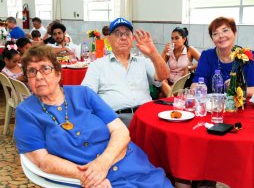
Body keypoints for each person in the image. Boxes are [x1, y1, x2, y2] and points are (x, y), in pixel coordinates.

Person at [14, 44, 173, 188]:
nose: (39, 77)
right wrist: (88, 176)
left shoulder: (83, 93)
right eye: (32, 71)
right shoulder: (26, 112)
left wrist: (103, 164)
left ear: (58, 74)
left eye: (45, 69)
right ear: (28, 80)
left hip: (129, 163)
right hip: (87, 179)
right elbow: (43, 161)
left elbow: (120, 131)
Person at [81, 17, 170, 126]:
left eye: (127, 34)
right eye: (118, 34)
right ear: (109, 39)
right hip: (115, 119)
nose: (123, 37)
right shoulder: (97, 65)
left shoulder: (143, 61)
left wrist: (153, 52)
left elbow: (164, 75)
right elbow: (86, 96)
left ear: (132, 39)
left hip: (145, 115)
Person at [191, 16, 254, 97]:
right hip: (213, 106)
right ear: (212, 39)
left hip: (242, 107)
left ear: (234, 33)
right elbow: (196, 83)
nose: (221, 36)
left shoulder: (249, 56)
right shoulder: (207, 56)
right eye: (215, 33)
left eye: (225, 30)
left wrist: (238, 89)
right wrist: (197, 89)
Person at [160, 27, 201, 97]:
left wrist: (189, 67)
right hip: (169, 80)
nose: (173, 41)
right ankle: (169, 95)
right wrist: (164, 52)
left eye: (176, 38)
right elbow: (160, 66)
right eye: (172, 38)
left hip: (182, 82)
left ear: (184, 39)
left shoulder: (189, 50)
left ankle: (168, 94)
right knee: (161, 81)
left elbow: (203, 62)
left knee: (162, 95)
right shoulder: (170, 51)